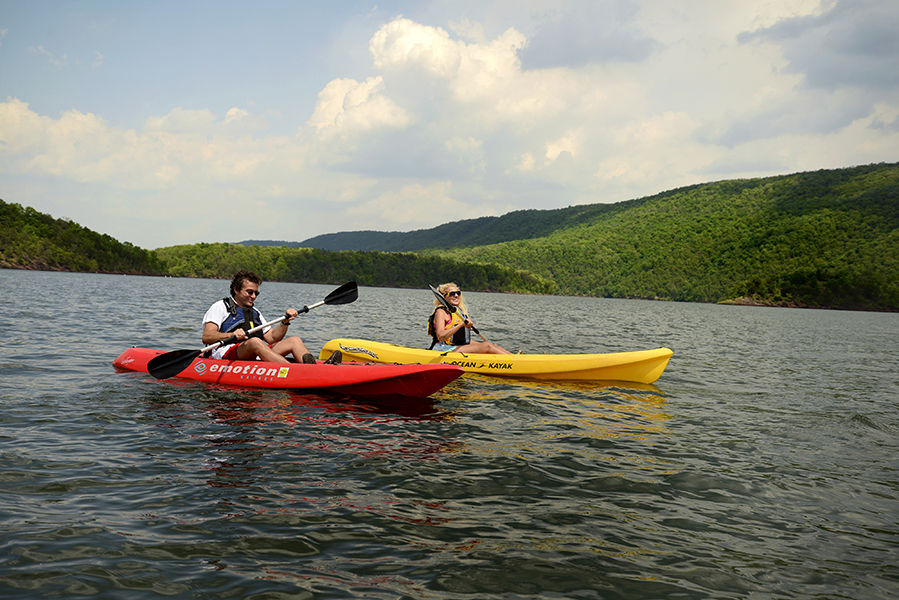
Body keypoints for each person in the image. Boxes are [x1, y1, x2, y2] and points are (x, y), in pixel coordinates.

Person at [202, 270, 340, 364]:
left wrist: (285, 322)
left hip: (253, 351)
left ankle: (314, 368)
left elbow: (272, 338)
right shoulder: (220, 306)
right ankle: (293, 371)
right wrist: (231, 334)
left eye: (256, 293)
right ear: (236, 290)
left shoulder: (255, 312)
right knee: (255, 342)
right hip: (226, 353)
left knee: (295, 341)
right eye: (250, 292)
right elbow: (207, 337)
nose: (254, 296)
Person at [428, 282, 511, 354]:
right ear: (444, 297)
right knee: (487, 346)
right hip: (443, 349)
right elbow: (441, 336)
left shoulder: (458, 312)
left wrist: (466, 326)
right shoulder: (441, 312)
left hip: (457, 344)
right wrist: (461, 325)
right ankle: (515, 362)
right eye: (452, 293)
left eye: (458, 293)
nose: (456, 295)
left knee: (491, 345)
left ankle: (516, 358)